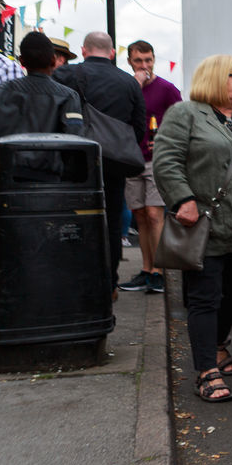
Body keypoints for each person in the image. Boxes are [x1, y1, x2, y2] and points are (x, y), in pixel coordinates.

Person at [152, 55, 232, 402]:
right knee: (205, 296)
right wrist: (182, 199)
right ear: (216, 78)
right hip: (204, 222)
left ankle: (218, 342)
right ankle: (206, 370)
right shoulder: (186, 113)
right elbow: (166, 159)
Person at [56, 31, 145, 297]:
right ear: (112, 52)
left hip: (73, 160)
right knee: (112, 220)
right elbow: (139, 127)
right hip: (114, 163)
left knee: (72, 219)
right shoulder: (129, 82)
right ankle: (109, 282)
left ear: (83, 50)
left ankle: (75, 280)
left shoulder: (65, 74)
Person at [118, 40, 182, 295]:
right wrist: (133, 85)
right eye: (138, 61)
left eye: (148, 60)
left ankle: (159, 272)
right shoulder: (126, 87)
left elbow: (181, 120)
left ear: (154, 59)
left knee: (156, 215)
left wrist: (172, 148)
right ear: (130, 62)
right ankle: (146, 270)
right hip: (132, 157)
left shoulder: (167, 89)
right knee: (141, 216)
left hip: (158, 159)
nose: (144, 66)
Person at [0, 32, 82, 142]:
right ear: (53, 60)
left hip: (10, 158)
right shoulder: (68, 96)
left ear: (21, 61)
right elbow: (74, 139)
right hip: (50, 159)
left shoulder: (4, 90)